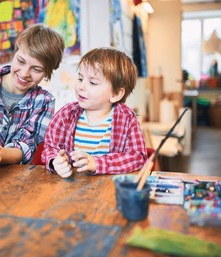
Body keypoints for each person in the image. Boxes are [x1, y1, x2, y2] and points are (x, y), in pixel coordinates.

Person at [42, 47, 147, 178]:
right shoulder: (66, 114)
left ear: (116, 94)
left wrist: (97, 163)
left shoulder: (127, 119)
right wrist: (54, 162)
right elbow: (50, 148)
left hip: (108, 189)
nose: (81, 86)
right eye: (80, 79)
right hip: (71, 186)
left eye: (92, 82)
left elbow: (137, 157)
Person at [0, 24, 65, 167]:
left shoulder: (44, 101)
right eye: (20, 61)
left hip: (9, 179)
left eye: (36, 69)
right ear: (15, 53)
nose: (25, 73)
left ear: (48, 72)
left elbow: (26, 145)